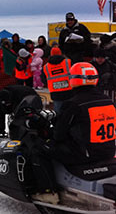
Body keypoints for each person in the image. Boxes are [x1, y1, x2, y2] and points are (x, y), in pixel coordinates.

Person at [37, 62, 116, 203]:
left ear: (73, 79)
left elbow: (59, 134)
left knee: (39, 149)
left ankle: (48, 192)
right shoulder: (108, 101)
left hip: (85, 155)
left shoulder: (74, 104)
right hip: (109, 151)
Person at [41, 47, 73, 113]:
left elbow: (43, 79)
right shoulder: (68, 62)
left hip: (55, 93)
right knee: (70, 112)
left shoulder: (45, 67)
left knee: (58, 114)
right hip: (69, 92)